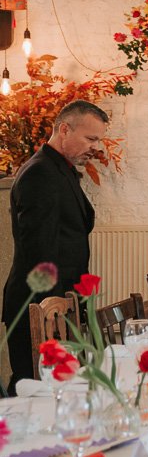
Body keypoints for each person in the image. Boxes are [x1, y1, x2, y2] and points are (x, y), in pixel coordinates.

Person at [4, 100, 107, 388]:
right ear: (64, 129)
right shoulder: (40, 173)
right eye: (90, 138)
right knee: (34, 392)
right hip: (39, 309)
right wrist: (52, 313)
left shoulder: (58, 169)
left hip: (58, 306)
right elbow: (40, 251)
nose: (95, 147)